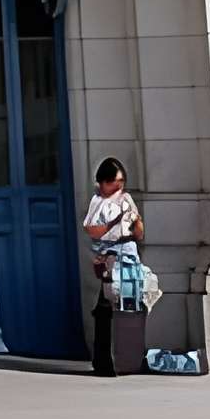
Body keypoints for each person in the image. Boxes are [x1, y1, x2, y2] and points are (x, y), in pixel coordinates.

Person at [81, 157, 146, 375]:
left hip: (128, 255)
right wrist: (114, 222)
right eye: (115, 182)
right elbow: (92, 230)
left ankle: (128, 357)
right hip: (108, 256)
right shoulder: (97, 201)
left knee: (129, 305)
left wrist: (135, 221)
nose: (119, 186)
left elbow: (139, 233)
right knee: (106, 307)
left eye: (122, 182)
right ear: (103, 182)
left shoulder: (126, 198)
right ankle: (105, 360)